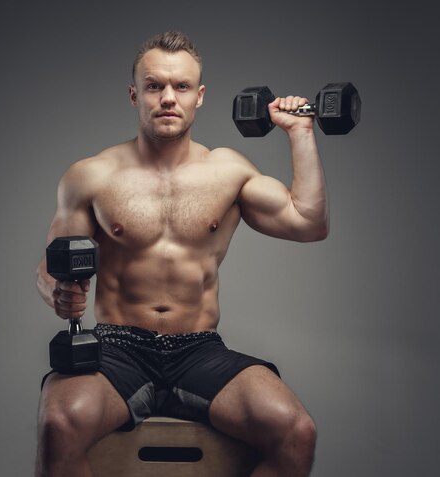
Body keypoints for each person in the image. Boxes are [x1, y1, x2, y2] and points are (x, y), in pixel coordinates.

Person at [35, 31, 327, 477]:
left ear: (200, 96)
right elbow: (50, 265)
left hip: (200, 350)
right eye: (154, 86)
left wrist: (301, 132)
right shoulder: (90, 176)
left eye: (182, 87)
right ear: (135, 94)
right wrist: (58, 291)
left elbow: (309, 223)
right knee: (58, 424)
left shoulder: (229, 170)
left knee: (295, 430)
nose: (168, 97)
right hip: (117, 348)